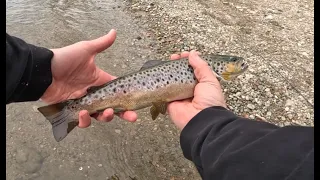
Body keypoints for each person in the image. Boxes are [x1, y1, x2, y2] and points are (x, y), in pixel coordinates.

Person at [6, 29, 314, 180]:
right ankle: (67, 113)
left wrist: (35, 70)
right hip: (143, 92)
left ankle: (68, 112)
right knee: (106, 103)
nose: (235, 65)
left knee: (110, 105)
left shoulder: (204, 75)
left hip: (149, 94)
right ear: (218, 67)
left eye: (233, 63)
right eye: (232, 63)